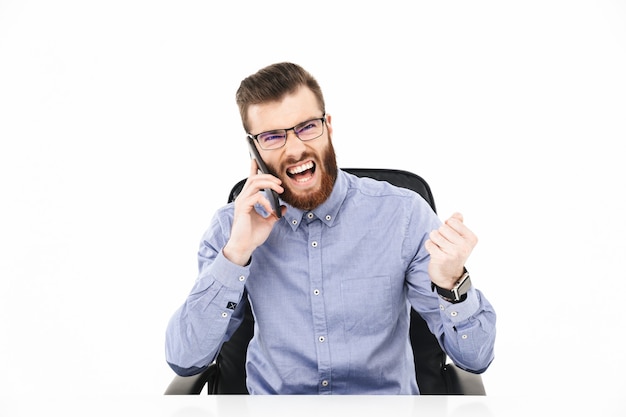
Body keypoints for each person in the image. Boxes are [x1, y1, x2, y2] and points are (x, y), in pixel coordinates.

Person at [165, 62, 496, 394]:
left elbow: (475, 358)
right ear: (254, 150)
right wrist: (235, 254)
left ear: (328, 127)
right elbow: (185, 360)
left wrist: (452, 283)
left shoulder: (404, 215)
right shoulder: (231, 228)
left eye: (307, 127)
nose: (294, 149)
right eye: (272, 136)